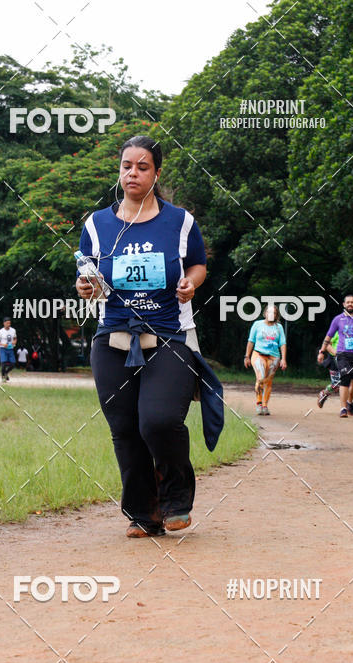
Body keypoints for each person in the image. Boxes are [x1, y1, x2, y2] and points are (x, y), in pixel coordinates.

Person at [76, 134, 223, 538]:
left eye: (142, 166)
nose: (133, 173)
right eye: (127, 166)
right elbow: (87, 275)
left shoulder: (180, 221)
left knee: (158, 421)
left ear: (156, 173)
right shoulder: (96, 224)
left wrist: (191, 284)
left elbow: (197, 265)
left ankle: (176, 499)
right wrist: (85, 287)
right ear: (119, 171)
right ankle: (144, 512)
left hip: (169, 335)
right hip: (113, 339)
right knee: (124, 428)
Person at [318, 295, 353, 418]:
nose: (350, 304)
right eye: (348, 302)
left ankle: (349, 401)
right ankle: (343, 409)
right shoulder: (338, 319)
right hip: (342, 354)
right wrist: (321, 351)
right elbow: (328, 337)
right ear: (343, 304)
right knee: (345, 378)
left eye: (352, 302)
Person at [244, 304, 287, 415]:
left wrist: (283, 359)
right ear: (265, 313)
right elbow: (251, 341)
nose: (271, 314)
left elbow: (282, 343)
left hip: (274, 357)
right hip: (258, 354)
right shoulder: (257, 324)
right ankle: (259, 403)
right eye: (269, 312)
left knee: (268, 381)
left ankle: (265, 406)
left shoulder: (279, 327)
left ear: (276, 315)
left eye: (274, 313)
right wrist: (247, 356)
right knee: (261, 377)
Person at [316, 331, 340, 408]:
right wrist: (336, 354)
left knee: (351, 382)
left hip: (349, 361)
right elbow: (327, 345)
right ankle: (324, 393)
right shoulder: (337, 331)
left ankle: (348, 405)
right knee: (336, 385)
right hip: (334, 360)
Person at [0, 317, 17, 381]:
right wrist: (3, 344)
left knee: (13, 364)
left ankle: (6, 373)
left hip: (10, 349)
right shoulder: (1, 331)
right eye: (7, 323)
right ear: (4, 323)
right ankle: (3, 377)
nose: (8, 324)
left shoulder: (13, 330)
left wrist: (14, 342)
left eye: (9, 323)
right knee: (3, 363)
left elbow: (15, 338)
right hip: (3, 349)